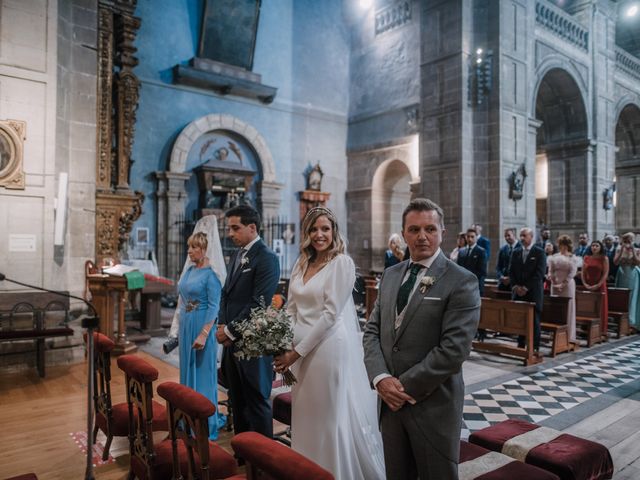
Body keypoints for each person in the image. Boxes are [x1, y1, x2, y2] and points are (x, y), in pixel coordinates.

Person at [363, 198, 480, 480]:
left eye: (430, 228)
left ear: (442, 232)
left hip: (432, 405)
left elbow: (454, 350)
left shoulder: (461, 280)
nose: (422, 236)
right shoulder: (391, 275)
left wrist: (400, 387)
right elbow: (372, 331)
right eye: (414, 229)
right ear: (404, 233)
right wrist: (380, 378)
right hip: (390, 406)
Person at [274, 207, 385, 480]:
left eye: (325, 228)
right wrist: (285, 344)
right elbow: (290, 309)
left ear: (334, 231)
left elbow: (330, 315)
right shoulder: (301, 262)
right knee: (305, 415)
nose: (320, 234)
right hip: (298, 353)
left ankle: (334, 473)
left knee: (327, 417)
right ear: (307, 233)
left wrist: (295, 353)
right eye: (314, 229)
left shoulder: (342, 264)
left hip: (327, 349)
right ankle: (305, 471)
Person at [215, 205, 280, 438]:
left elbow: (259, 303)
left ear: (252, 228)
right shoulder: (237, 255)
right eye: (229, 228)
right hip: (232, 341)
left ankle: (263, 461)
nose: (230, 233)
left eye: (235, 228)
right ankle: (243, 453)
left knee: (256, 400)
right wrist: (222, 325)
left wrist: (230, 331)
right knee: (236, 398)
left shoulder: (267, 258)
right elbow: (225, 294)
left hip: (253, 343)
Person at [168, 217, 227, 440]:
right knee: (187, 371)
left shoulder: (211, 276)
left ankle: (205, 421)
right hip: (186, 325)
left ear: (204, 249)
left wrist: (204, 334)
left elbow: (214, 307)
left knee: (203, 375)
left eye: (193, 248)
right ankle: (187, 415)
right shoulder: (190, 271)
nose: (189, 252)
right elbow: (183, 297)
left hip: (202, 325)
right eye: (189, 247)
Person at [509, 227, 546, 350]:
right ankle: (520, 344)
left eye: (524, 235)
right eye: (521, 235)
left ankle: (534, 346)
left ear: (531, 237)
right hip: (519, 292)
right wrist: (515, 286)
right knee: (521, 319)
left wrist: (525, 287)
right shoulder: (516, 251)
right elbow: (511, 271)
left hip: (533, 292)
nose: (522, 238)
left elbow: (539, 274)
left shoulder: (539, 252)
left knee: (534, 320)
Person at [548, 235, 578, 344]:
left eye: (564, 245)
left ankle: (568, 336)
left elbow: (572, 273)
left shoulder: (572, 257)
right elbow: (550, 270)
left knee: (568, 308)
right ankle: (555, 336)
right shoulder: (554, 256)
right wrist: (553, 281)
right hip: (555, 285)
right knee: (555, 308)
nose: (562, 247)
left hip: (567, 285)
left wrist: (563, 284)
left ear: (568, 245)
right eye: (560, 244)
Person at [582, 240, 609, 339]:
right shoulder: (586, 257)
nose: (594, 247)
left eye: (597, 246)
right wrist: (585, 283)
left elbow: (605, 274)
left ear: (600, 247)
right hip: (588, 285)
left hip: (600, 286)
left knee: (600, 308)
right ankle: (587, 330)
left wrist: (598, 285)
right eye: (593, 245)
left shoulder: (604, 258)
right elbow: (583, 273)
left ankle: (600, 331)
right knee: (588, 307)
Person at [613, 232, 640, 330]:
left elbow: (638, 262)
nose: (628, 241)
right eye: (626, 239)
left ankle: (631, 321)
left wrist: (632, 250)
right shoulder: (619, 249)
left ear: (633, 240)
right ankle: (621, 322)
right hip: (622, 273)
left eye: (630, 239)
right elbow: (615, 262)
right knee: (621, 296)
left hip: (632, 274)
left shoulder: (637, 250)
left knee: (632, 297)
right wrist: (621, 250)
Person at [457, 227, 487, 296]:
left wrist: (468, 278)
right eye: (468, 236)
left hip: (476, 285)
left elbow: (482, 271)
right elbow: (458, 268)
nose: (470, 239)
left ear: (476, 237)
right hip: (463, 285)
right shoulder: (462, 251)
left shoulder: (481, 251)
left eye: (472, 237)